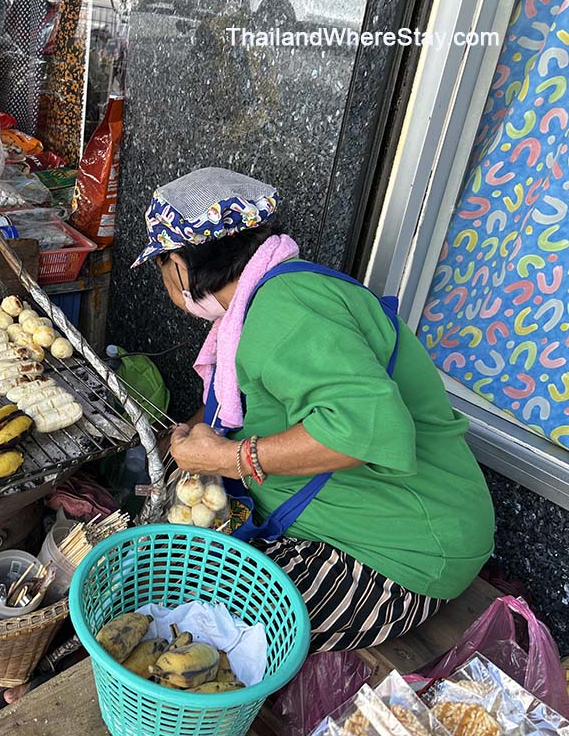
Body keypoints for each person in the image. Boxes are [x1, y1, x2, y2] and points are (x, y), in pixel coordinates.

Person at [138, 168, 495, 653]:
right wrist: (201, 433)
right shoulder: (264, 304)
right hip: (350, 516)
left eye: (161, 268)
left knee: (198, 632)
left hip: (406, 548)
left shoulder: (287, 308)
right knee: (165, 567)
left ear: (178, 266)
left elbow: (362, 429)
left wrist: (224, 459)